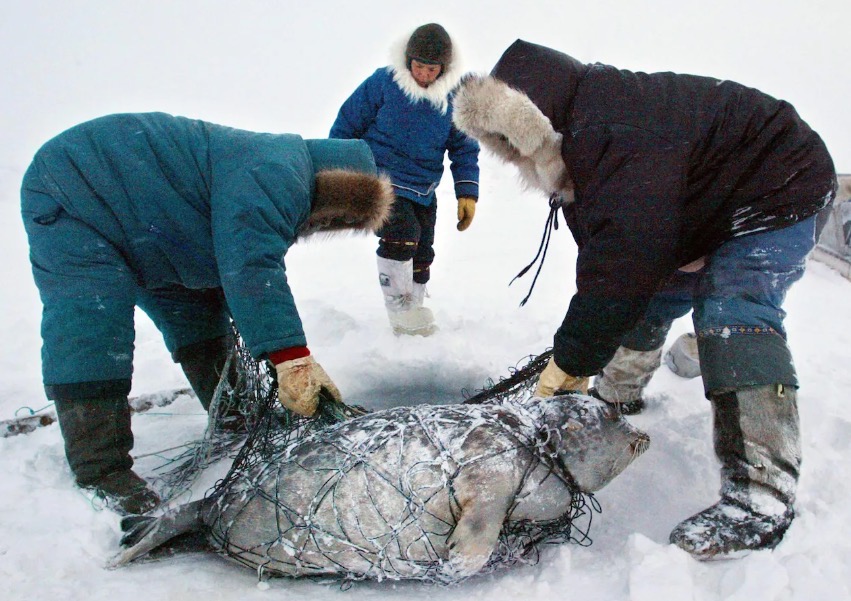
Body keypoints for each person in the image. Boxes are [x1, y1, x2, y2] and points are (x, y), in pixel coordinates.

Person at [451, 40, 836, 560]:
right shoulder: (586, 142)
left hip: (781, 183)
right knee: (650, 295)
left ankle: (761, 498)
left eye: (516, 142)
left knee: (732, 307)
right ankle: (618, 395)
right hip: (708, 201)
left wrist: (573, 360)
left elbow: (621, 263)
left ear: (534, 121)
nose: (518, 157)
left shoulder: (615, 134)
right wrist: (585, 352)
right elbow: (609, 264)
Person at [21, 112, 393, 515]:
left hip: (154, 229)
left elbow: (232, 266)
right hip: (76, 193)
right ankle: (100, 470)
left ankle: (237, 419)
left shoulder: (275, 169)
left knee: (196, 314)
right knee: (91, 323)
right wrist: (290, 358)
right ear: (341, 191)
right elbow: (250, 265)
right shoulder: (279, 171)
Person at [330, 23, 480, 336]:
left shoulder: (453, 98)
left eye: (431, 69)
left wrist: (467, 192)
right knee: (403, 235)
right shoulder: (383, 83)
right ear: (408, 61)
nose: (424, 74)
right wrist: (337, 178)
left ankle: (416, 311)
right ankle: (399, 314)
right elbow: (345, 126)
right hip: (379, 182)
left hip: (423, 189)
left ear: (444, 68)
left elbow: (464, 147)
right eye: (419, 66)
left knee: (423, 250)